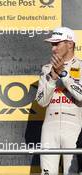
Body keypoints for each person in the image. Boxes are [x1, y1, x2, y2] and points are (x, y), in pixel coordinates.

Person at [36, 27, 82, 174]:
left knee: (73, 172)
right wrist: (52, 78)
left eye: (57, 44)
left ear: (70, 44)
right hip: (50, 127)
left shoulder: (81, 66)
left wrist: (63, 73)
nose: (53, 48)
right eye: (52, 45)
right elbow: (41, 101)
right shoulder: (46, 69)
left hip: (75, 127)